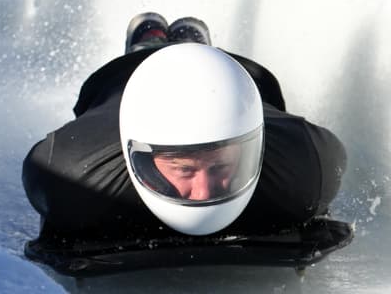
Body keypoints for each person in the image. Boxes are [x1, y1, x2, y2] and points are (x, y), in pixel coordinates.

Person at [22, 13, 347, 239]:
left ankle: (182, 47)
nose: (205, 193)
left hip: (235, 81)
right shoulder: (69, 178)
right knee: (125, 78)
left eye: (220, 165)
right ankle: (151, 49)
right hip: (123, 83)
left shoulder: (305, 168)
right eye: (184, 169)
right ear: (143, 159)